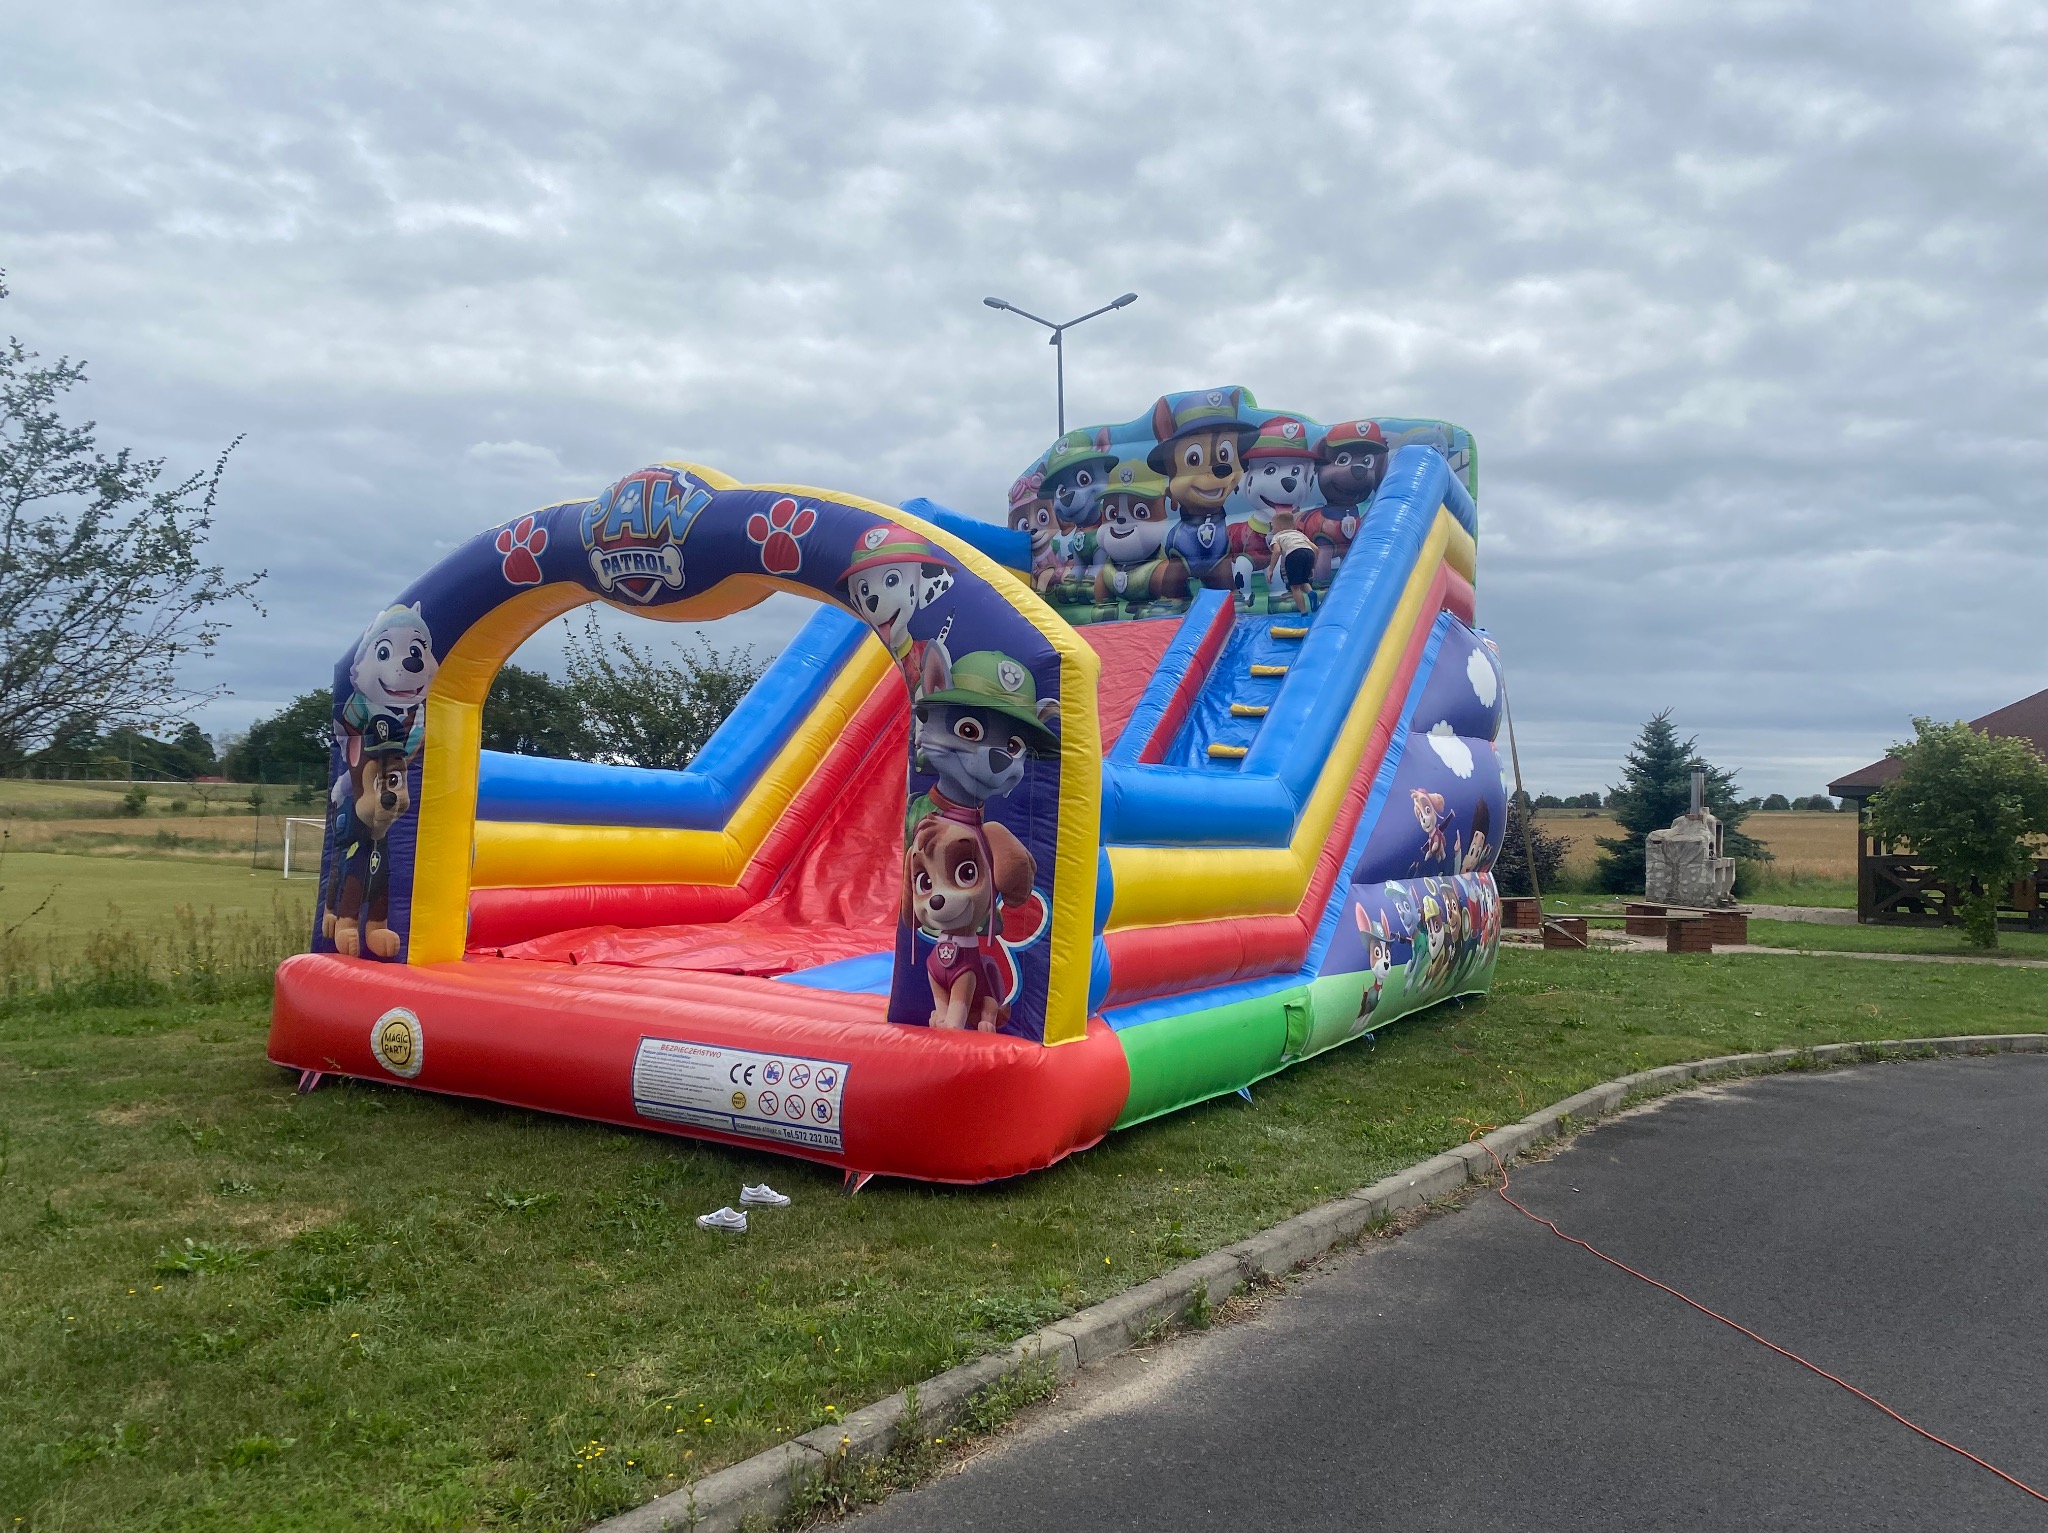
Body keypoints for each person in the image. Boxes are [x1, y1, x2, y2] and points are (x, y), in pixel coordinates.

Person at [1264, 507, 1319, 615]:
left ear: (1279, 527)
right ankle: (1311, 592)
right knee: (1304, 582)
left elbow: (1277, 551)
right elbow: (1316, 549)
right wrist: (1312, 566)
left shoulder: (1278, 536)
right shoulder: (1299, 534)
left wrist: (1270, 570)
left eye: (1273, 526)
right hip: (1309, 553)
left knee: (1295, 587)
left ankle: (1303, 612)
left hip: (1294, 555)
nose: (1272, 529)